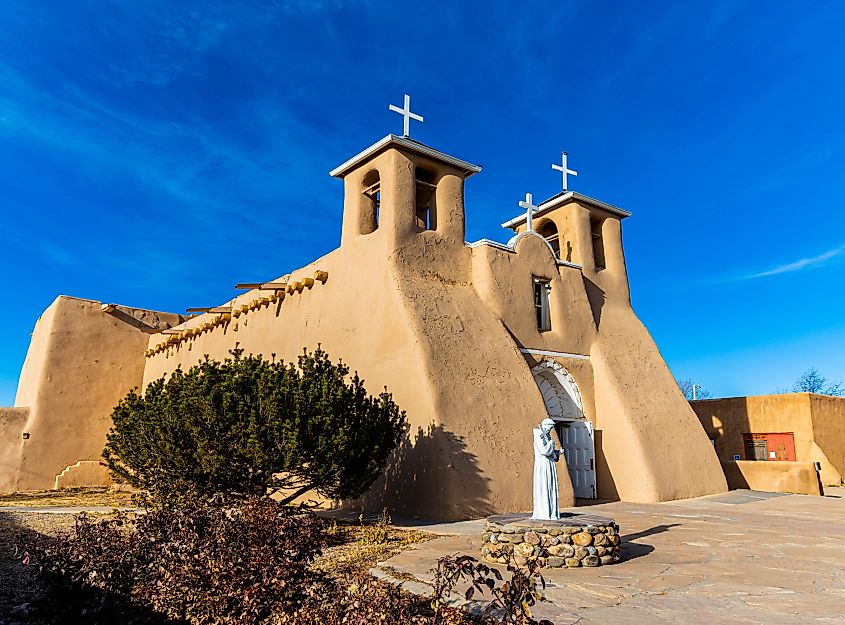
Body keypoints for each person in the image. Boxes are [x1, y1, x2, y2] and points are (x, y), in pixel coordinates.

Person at [532, 418, 560, 520]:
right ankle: (543, 511)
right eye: (550, 427)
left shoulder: (546, 435)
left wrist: (557, 453)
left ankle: (550, 511)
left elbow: (550, 452)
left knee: (549, 485)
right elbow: (545, 451)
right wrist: (552, 444)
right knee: (544, 485)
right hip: (542, 465)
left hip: (548, 463)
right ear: (546, 425)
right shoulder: (539, 435)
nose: (550, 429)